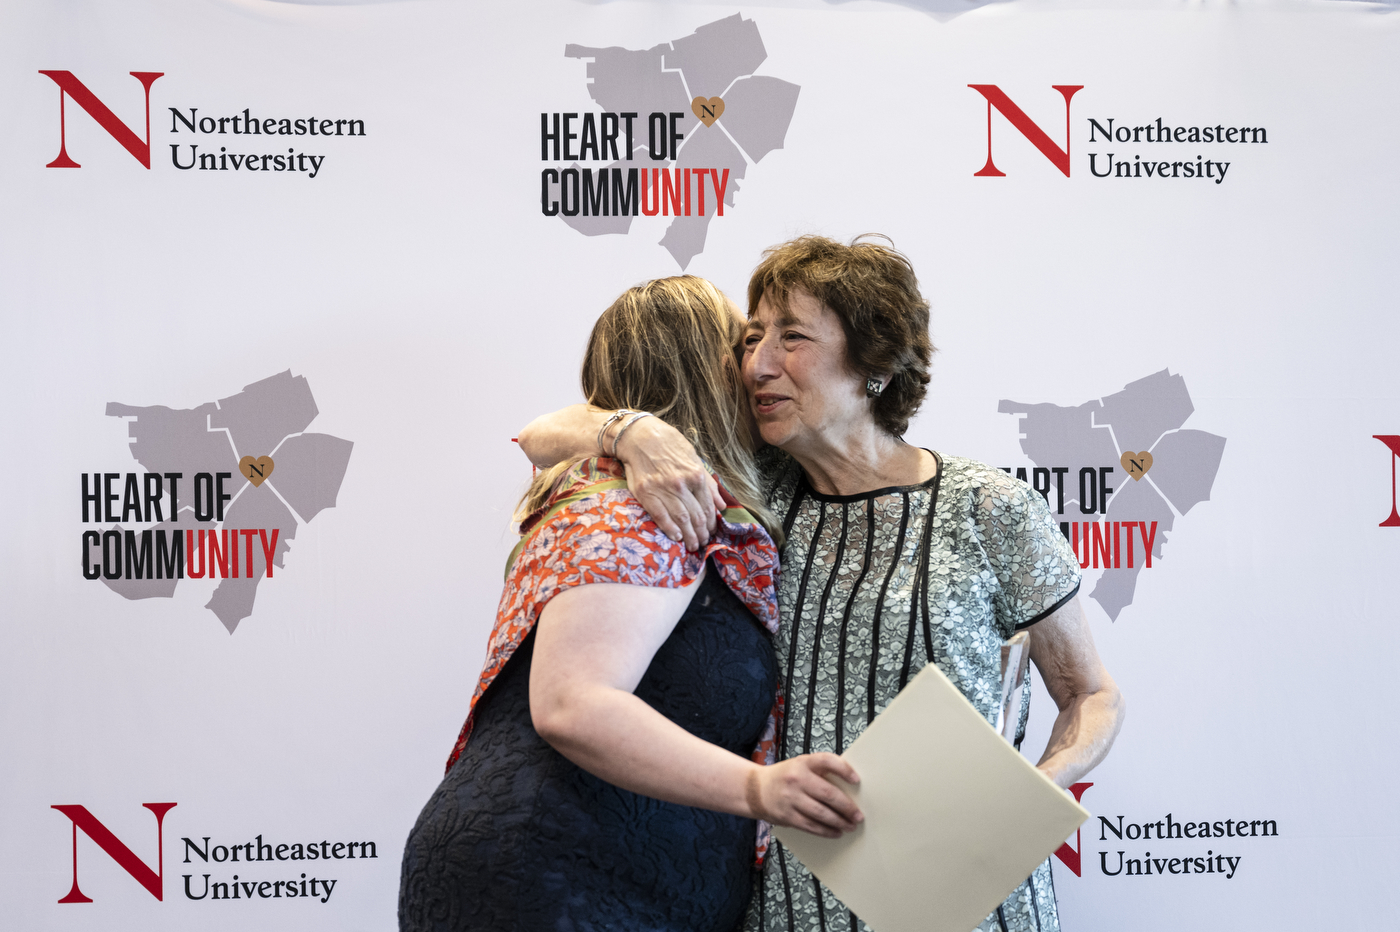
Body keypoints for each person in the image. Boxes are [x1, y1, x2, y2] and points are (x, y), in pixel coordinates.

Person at [517, 236, 1126, 932]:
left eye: (792, 337)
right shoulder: (750, 493)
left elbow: (1091, 693)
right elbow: (540, 435)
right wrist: (633, 433)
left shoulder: (990, 507)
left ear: (873, 365)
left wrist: (1033, 794)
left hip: (970, 897)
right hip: (798, 906)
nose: (757, 365)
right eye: (751, 339)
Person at [398, 275, 864, 932]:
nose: (761, 366)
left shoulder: (680, 494)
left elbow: (541, 431)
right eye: (744, 345)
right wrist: (761, 789)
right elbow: (573, 706)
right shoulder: (648, 507)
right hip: (562, 875)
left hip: (613, 875)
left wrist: (626, 428)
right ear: (706, 371)